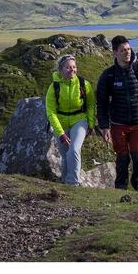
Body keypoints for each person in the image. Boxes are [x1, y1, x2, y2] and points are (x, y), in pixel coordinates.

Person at [96, 35, 138, 191]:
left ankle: (137, 185)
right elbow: (101, 103)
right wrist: (104, 126)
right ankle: (120, 190)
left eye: (128, 49)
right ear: (115, 52)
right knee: (122, 160)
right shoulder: (108, 75)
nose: (127, 53)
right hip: (117, 125)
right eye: (122, 50)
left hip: (137, 124)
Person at [46, 54, 95, 185]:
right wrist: (60, 133)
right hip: (60, 124)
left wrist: (90, 124)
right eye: (68, 67)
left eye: (74, 67)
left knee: (73, 150)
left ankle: (73, 184)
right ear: (61, 69)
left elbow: (90, 105)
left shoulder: (84, 84)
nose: (72, 70)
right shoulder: (54, 87)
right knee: (65, 156)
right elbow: (51, 112)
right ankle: (65, 184)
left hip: (79, 121)